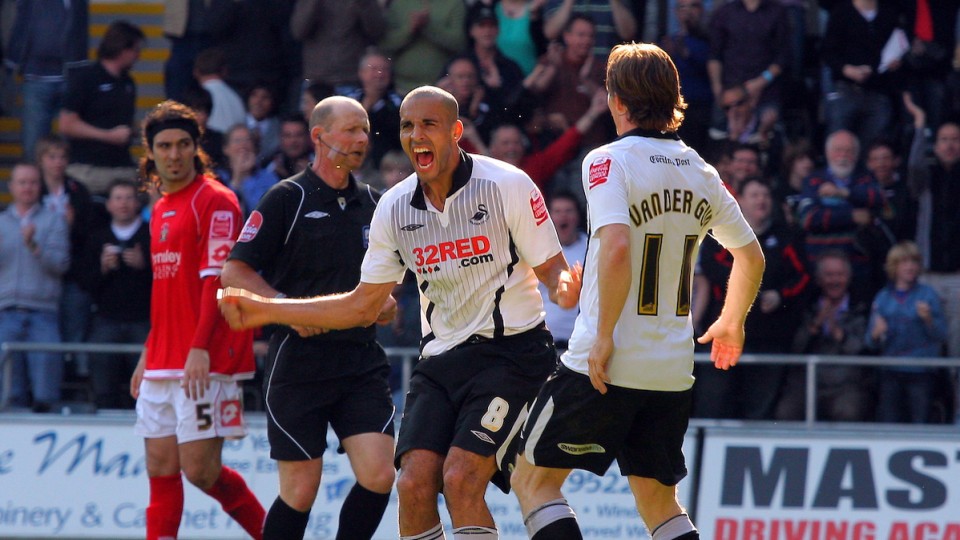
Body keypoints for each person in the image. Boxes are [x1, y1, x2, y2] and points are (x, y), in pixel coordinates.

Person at [219, 85, 581, 540]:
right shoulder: (390, 205)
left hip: (510, 355)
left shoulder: (506, 184)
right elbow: (362, 304)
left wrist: (566, 290)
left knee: (458, 478)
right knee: (409, 485)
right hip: (433, 363)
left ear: (456, 131)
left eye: (428, 124)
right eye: (407, 125)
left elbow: (554, 274)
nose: (414, 135)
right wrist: (268, 309)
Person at [510, 43, 765, 540]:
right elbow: (751, 255)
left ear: (617, 101)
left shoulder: (608, 161)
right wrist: (732, 321)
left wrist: (604, 336)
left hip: (606, 360)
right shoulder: (702, 171)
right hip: (670, 368)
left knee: (533, 482)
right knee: (659, 504)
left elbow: (619, 247)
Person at [221, 95, 396, 540]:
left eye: (365, 130)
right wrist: (285, 308)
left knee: (380, 474)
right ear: (319, 137)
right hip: (298, 362)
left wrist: (386, 302)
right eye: (351, 129)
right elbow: (235, 270)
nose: (361, 138)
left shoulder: (374, 204)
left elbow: (387, 283)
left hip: (359, 361)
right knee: (301, 489)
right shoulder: (286, 197)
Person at [129, 101, 265, 540]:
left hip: (204, 358)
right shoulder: (161, 207)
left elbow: (217, 284)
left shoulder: (217, 201)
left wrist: (199, 348)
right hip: (165, 358)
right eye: (164, 146)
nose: (173, 154)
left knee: (201, 473)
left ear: (195, 148)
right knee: (160, 469)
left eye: (183, 144)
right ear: (150, 151)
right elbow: (166, 291)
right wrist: (147, 352)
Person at [0, 163, 70, 412]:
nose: (27, 187)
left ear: (39, 187)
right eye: (22, 182)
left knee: (45, 392)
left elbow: (61, 264)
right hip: (5, 313)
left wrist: (34, 246)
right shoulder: (1, 223)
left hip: (43, 314)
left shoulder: (54, 221)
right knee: (7, 394)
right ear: (11, 187)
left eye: (32, 182)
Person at [774, 250, 873, 422]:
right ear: (819, 279)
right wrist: (815, 325)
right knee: (786, 412)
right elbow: (794, 347)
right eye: (829, 275)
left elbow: (862, 349)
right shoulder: (805, 306)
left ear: (849, 277)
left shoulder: (862, 307)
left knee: (848, 411)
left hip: (846, 385)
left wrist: (838, 333)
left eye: (840, 275)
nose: (835, 280)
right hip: (807, 383)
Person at [83, 179, 152, 409]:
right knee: (103, 383)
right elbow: (85, 284)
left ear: (137, 204)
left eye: (129, 198)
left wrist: (145, 265)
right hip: (106, 319)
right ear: (109, 205)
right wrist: (102, 268)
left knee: (147, 387)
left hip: (143, 320)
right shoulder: (97, 237)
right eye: (118, 198)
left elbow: (165, 279)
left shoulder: (149, 235)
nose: (123, 203)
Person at [58, 20, 143, 196]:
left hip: (121, 165)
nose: (138, 56)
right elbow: (66, 124)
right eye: (135, 50)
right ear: (122, 49)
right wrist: (108, 136)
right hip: (89, 167)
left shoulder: (128, 83)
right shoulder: (86, 79)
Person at [865, 241, 947, 423]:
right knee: (889, 422)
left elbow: (942, 335)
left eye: (914, 261)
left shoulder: (928, 295)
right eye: (904, 262)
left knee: (920, 422)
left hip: (921, 372)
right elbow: (869, 342)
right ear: (894, 266)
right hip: (891, 372)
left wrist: (928, 320)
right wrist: (876, 334)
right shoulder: (883, 297)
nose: (910, 266)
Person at [5, 0, 88, 160]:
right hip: (36, 77)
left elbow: (79, 31)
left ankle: (63, 184)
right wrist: (12, 61)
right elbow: (20, 25)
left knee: (67, 147)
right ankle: (34, 182)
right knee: (33, 146)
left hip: (69, 76)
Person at [537, 192, 588, 350]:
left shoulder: (592, 247)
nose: (563, 216)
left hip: (583, 345)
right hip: (544, 345)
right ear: (549, 217)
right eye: (557, 211)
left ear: (578, 216)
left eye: (568, 211)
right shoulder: (536, 249)